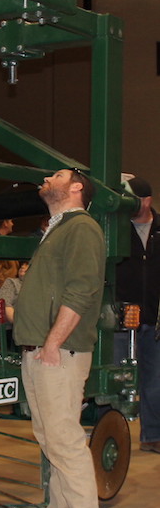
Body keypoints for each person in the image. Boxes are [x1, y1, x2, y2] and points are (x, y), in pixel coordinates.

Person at [14, 168, 106, 508]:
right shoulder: (57, 227)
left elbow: (83, 289)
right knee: (49, 438)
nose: (47, 179)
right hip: (40, 349)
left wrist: (53, 341)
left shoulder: (82, 228)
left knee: (65, 442)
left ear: (76, 187)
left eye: (57, 175)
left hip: (58, 352)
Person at [114, 176, 160, 452]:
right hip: (122, 318)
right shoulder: (117, 230)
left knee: (155, 380)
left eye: (132, 198)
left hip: (154, 320)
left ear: (147, 200)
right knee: (117, 379)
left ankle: (152, 436)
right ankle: (113, 435)